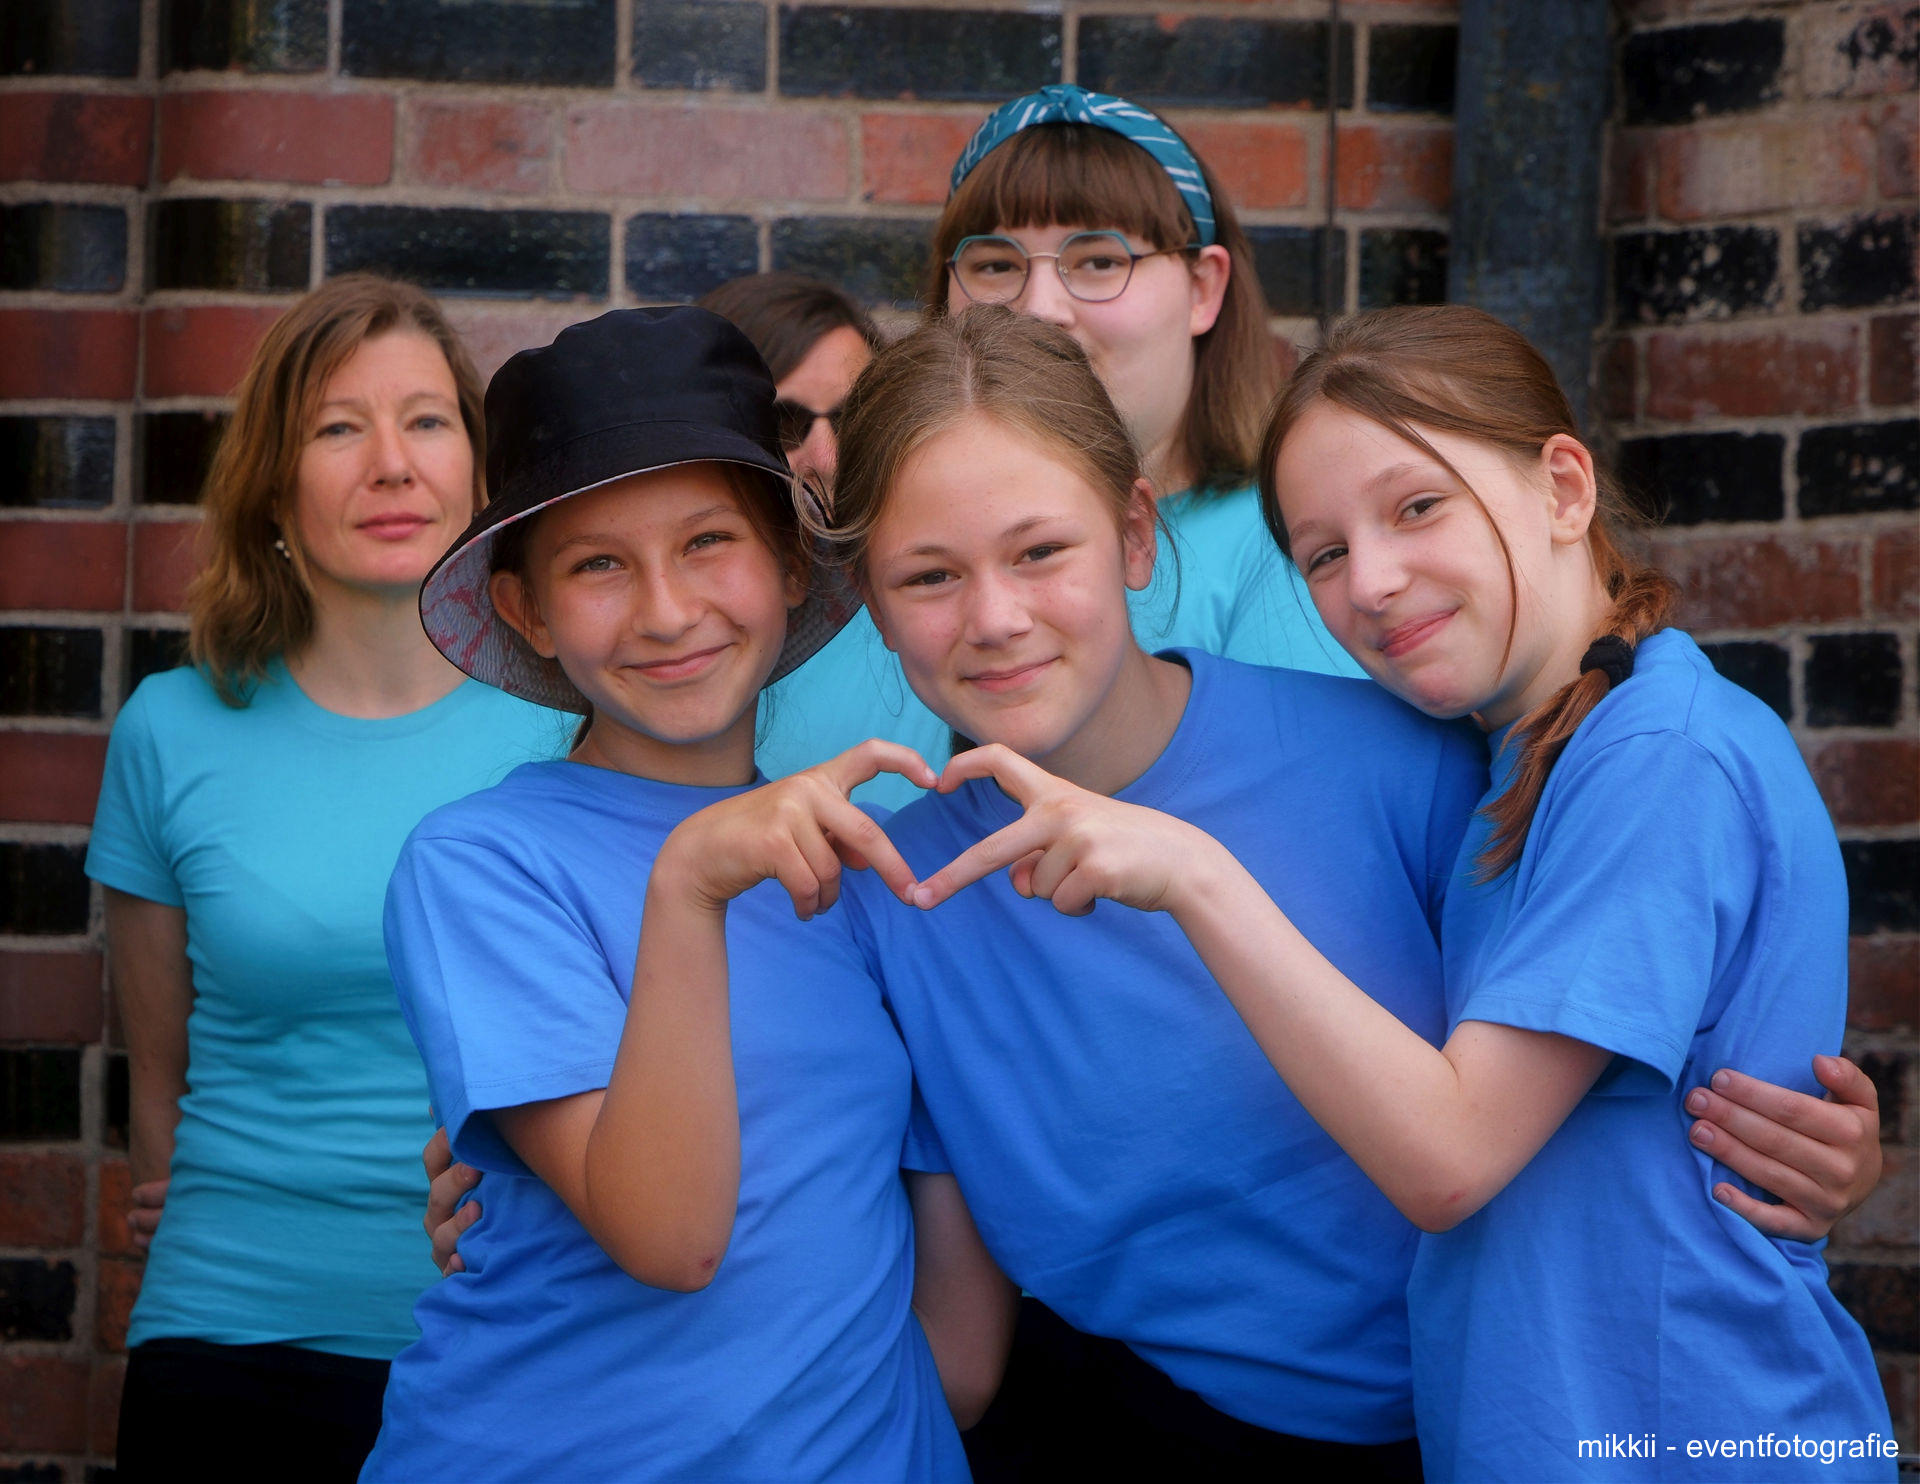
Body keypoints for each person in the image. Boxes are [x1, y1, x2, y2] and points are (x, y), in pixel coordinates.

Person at [425, 309, 1886, 1474]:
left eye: (1042, 551)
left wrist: (1806, 1146)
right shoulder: (882, 884)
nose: (997, 618)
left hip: (1510, 1413)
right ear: (865, 597)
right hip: (1135, 1418)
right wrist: (515, 1188)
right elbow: (795, 1151)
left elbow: (1587, 1037)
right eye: (929, 576)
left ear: (1135, 536)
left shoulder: (1422, 757)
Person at [900, 305, 1894, 1480]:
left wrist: (1196, 870)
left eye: (1418, 506)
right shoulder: (1519, 764)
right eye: (1323, 553)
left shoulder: (1657, 753)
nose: (1371, 580)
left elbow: (1449, 1156)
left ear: (1564, 487)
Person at [360, 306, 1006, 1481]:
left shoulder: (874, 873)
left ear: (791, 561)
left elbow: (960, 1355)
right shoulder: (482, 864)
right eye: (597, 564)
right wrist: (690, 885)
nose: (665, 610)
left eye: (709, 540)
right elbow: (671, 1237)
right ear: (526, 609)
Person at [84, 274, 564, 1481]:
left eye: (427, 420)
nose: (391, 464)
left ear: (478, 471)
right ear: (274, 485)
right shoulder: (170, 731)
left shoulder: (573, 727)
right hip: (230, 1335)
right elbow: (160, 1078)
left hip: (507, 1334)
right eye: (339, 427)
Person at [926, 83, 1360, 675]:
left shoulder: (1297, 544)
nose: (1040, 308)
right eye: (996, 264)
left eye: (1100, 261)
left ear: (1202, 288)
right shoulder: (879, 552)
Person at [698, 271, 951, 807]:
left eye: (854, 419)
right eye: (783, 424)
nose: (828, 457)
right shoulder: (663, 636)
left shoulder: (949, 609)